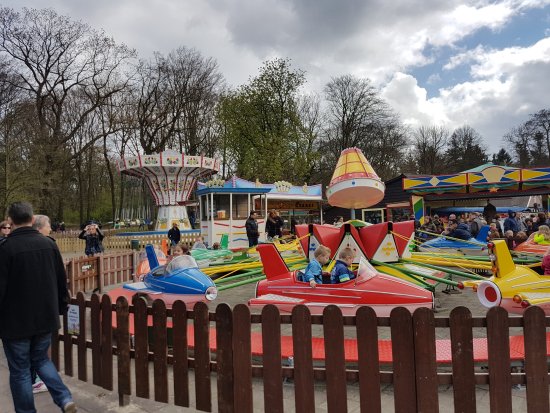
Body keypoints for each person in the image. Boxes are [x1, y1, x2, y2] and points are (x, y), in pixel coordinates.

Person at [0, 202, 76, 413]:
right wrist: (61, 308)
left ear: (10, 221)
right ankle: (64, 397)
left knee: (20, 370)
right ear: (32, 220)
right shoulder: (49, 245)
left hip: (15, 323)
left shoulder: (6, 249)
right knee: (42, 360)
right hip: (45, 317)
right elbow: (62, 281)